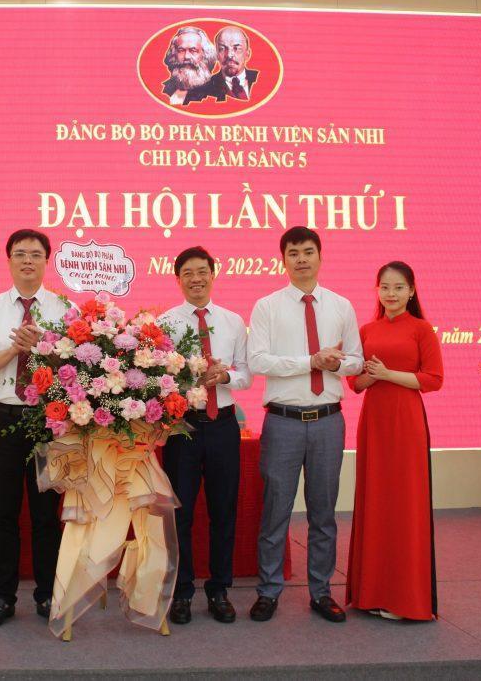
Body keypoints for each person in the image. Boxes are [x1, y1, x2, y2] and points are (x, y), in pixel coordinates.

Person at [247, 226, 363, 624]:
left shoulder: (341, 306)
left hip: (329, 421)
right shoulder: (267, 306)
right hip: (283, 422)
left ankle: (321, 592)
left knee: (323, 513)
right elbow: (258, 361)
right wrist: (309, 362)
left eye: (308, 251)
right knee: (275, 511)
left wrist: (335, 363)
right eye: (293, 253)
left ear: (320, 256)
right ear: (283, 260)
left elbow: (356, 360)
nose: (301, 259)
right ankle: (268, 591)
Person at [0, 228, 69, 629]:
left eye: (35, 254)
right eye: (20, 253)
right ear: (8, 260)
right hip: (4, 420)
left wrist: (43, 349)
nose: (27, 260)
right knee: (3, 514)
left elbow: (79, 371)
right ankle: (3, 598)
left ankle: (47, 595)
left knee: (46, 514)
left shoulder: (64, 310)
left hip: (48, 421)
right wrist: (14, 349)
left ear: (46, 261)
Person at [345, 261, 443, 621]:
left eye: (399, 287)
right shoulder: (366, 329)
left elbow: (433, 379)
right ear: (377, 290)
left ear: (412, 291)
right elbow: (355, 383)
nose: (391, 294)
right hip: (374, 421)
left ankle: (406, 598)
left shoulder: (421, 329)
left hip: (406, 421)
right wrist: (373, 377)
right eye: (385, 287)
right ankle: (372, 593)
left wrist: (388, 374)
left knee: (405, 503)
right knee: (375, 499)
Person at [159, 246, 251, 625]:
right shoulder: (165, 323)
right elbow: (157, 379)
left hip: (224, 426)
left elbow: (246, 374)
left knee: (223, 510)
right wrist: (184, 379)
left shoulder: (233, 321)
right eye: (188, 273)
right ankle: (181, 592)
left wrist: (225, 375)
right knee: (179, 513)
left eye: (202, 272)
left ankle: (219, 590)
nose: (196, 279)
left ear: (213, 275)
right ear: (178, 279)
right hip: (183, 427)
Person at [161, 26, 218, 106]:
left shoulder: (216, 92)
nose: (186, 56)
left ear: (205, 55)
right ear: (174, 54)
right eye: (181, 50)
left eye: (193, 50)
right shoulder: (164, 88)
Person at [209, 26, 259, 102]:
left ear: (247, 54)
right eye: (222, 49)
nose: (229, 55)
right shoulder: (203, 90)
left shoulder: (263, 79)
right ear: (216, 55)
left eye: (237, 48)